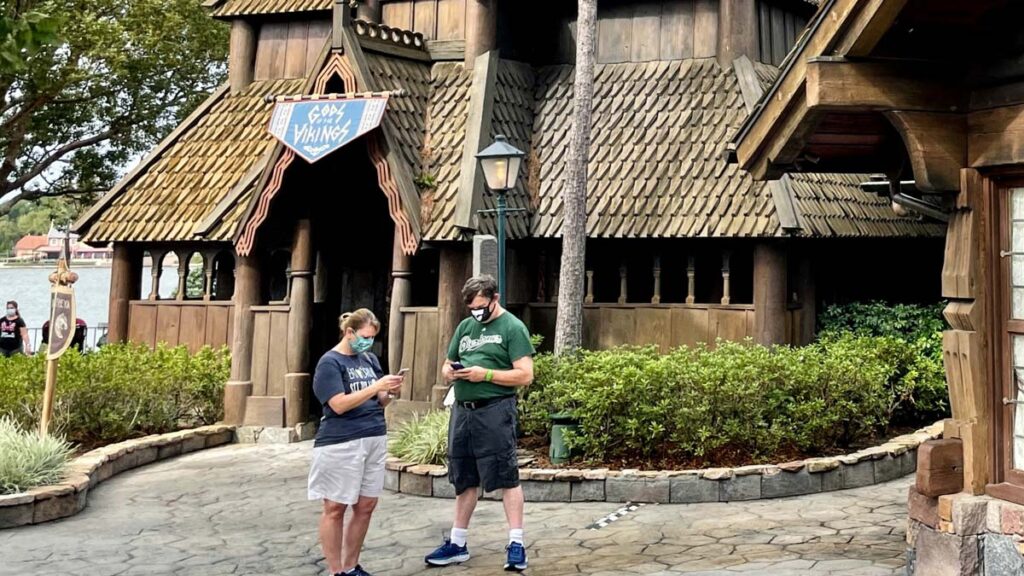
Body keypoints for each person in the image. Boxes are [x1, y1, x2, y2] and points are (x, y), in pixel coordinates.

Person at [424, 275, 536, 572]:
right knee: (464, 476)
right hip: (463, 411)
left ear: (494, 298)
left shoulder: (512, 328)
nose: (477, 313)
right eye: (472, 308)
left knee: (506, 474)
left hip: (495, 410)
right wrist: (450, 372)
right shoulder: (465, 327)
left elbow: (525, 375)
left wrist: (484, 375)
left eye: (481, 307)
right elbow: (448, 361)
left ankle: (516, 543)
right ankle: (458, 542)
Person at [308, 309, 404, 576]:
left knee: (366, 505)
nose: (368, 342)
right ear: (349, 332)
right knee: (335, 507)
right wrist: (375, 388)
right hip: (342, 440)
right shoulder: (330, 362)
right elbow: (338, 404)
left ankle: (351, 565)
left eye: (372, 338)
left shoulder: (369, 359)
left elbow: (379, 400)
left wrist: (389, 391)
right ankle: (336, 570)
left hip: (374, 435)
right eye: (364, 337)